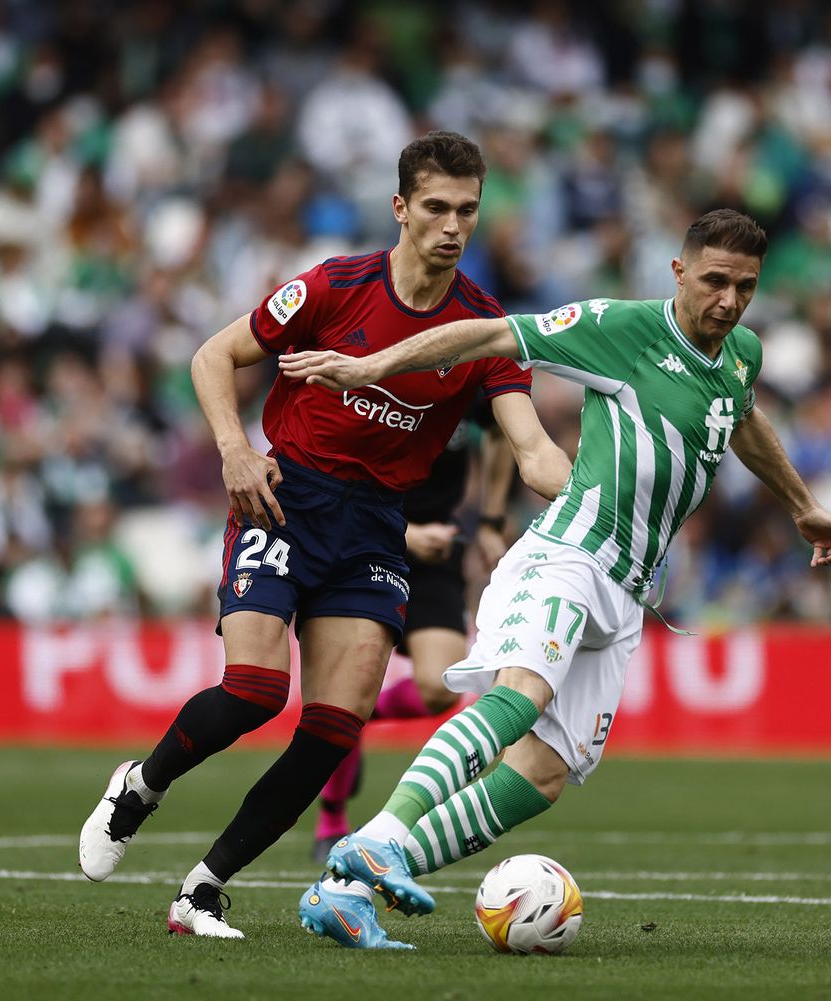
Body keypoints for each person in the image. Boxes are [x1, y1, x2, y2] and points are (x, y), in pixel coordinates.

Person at [278, 208, 831, 950]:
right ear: (679, 271)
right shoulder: (621, 330)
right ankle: (384, 832)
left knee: (544, 773)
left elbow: (739, 418)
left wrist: (804, 505)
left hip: (628, 592)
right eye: (714, 281)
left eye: (745, 286)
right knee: (522, 693)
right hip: (569, 554)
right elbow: (494, 336)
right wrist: (371, 366)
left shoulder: (741, 351)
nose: (728, 300)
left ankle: (346, 887)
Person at [77, 131, 571, 942]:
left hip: (378, 525)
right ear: (401, 207)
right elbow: (213, 355)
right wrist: (236, 451)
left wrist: (594, 493)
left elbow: (529, 447)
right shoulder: (335, 287)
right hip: (286, 497)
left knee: (334, 729)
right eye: (437, 207)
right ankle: (140, 784)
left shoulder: (482, 328)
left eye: (468, 211)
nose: (453, 226)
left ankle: (202, 889)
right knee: (256, 690)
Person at [309, 407, 514, 862]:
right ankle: (332, 823)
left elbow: (503, 430)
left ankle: (359, 718)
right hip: (362, 544)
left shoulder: (471, 371)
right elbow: (333, 476)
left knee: (442, 687)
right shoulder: (377, 370)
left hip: (437, 551)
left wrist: (490, 520)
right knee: (344, 689)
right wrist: (405, 532)